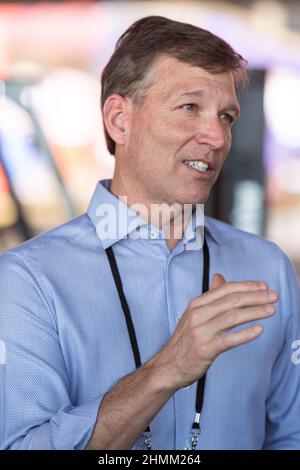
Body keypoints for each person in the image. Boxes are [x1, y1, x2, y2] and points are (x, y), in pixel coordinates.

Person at [0, 16, 299, 451]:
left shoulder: (266, 266)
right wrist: (166, 369)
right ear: (119, 120)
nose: (216, 137)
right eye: (189, 107)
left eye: (227, 117)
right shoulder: (25, 280)